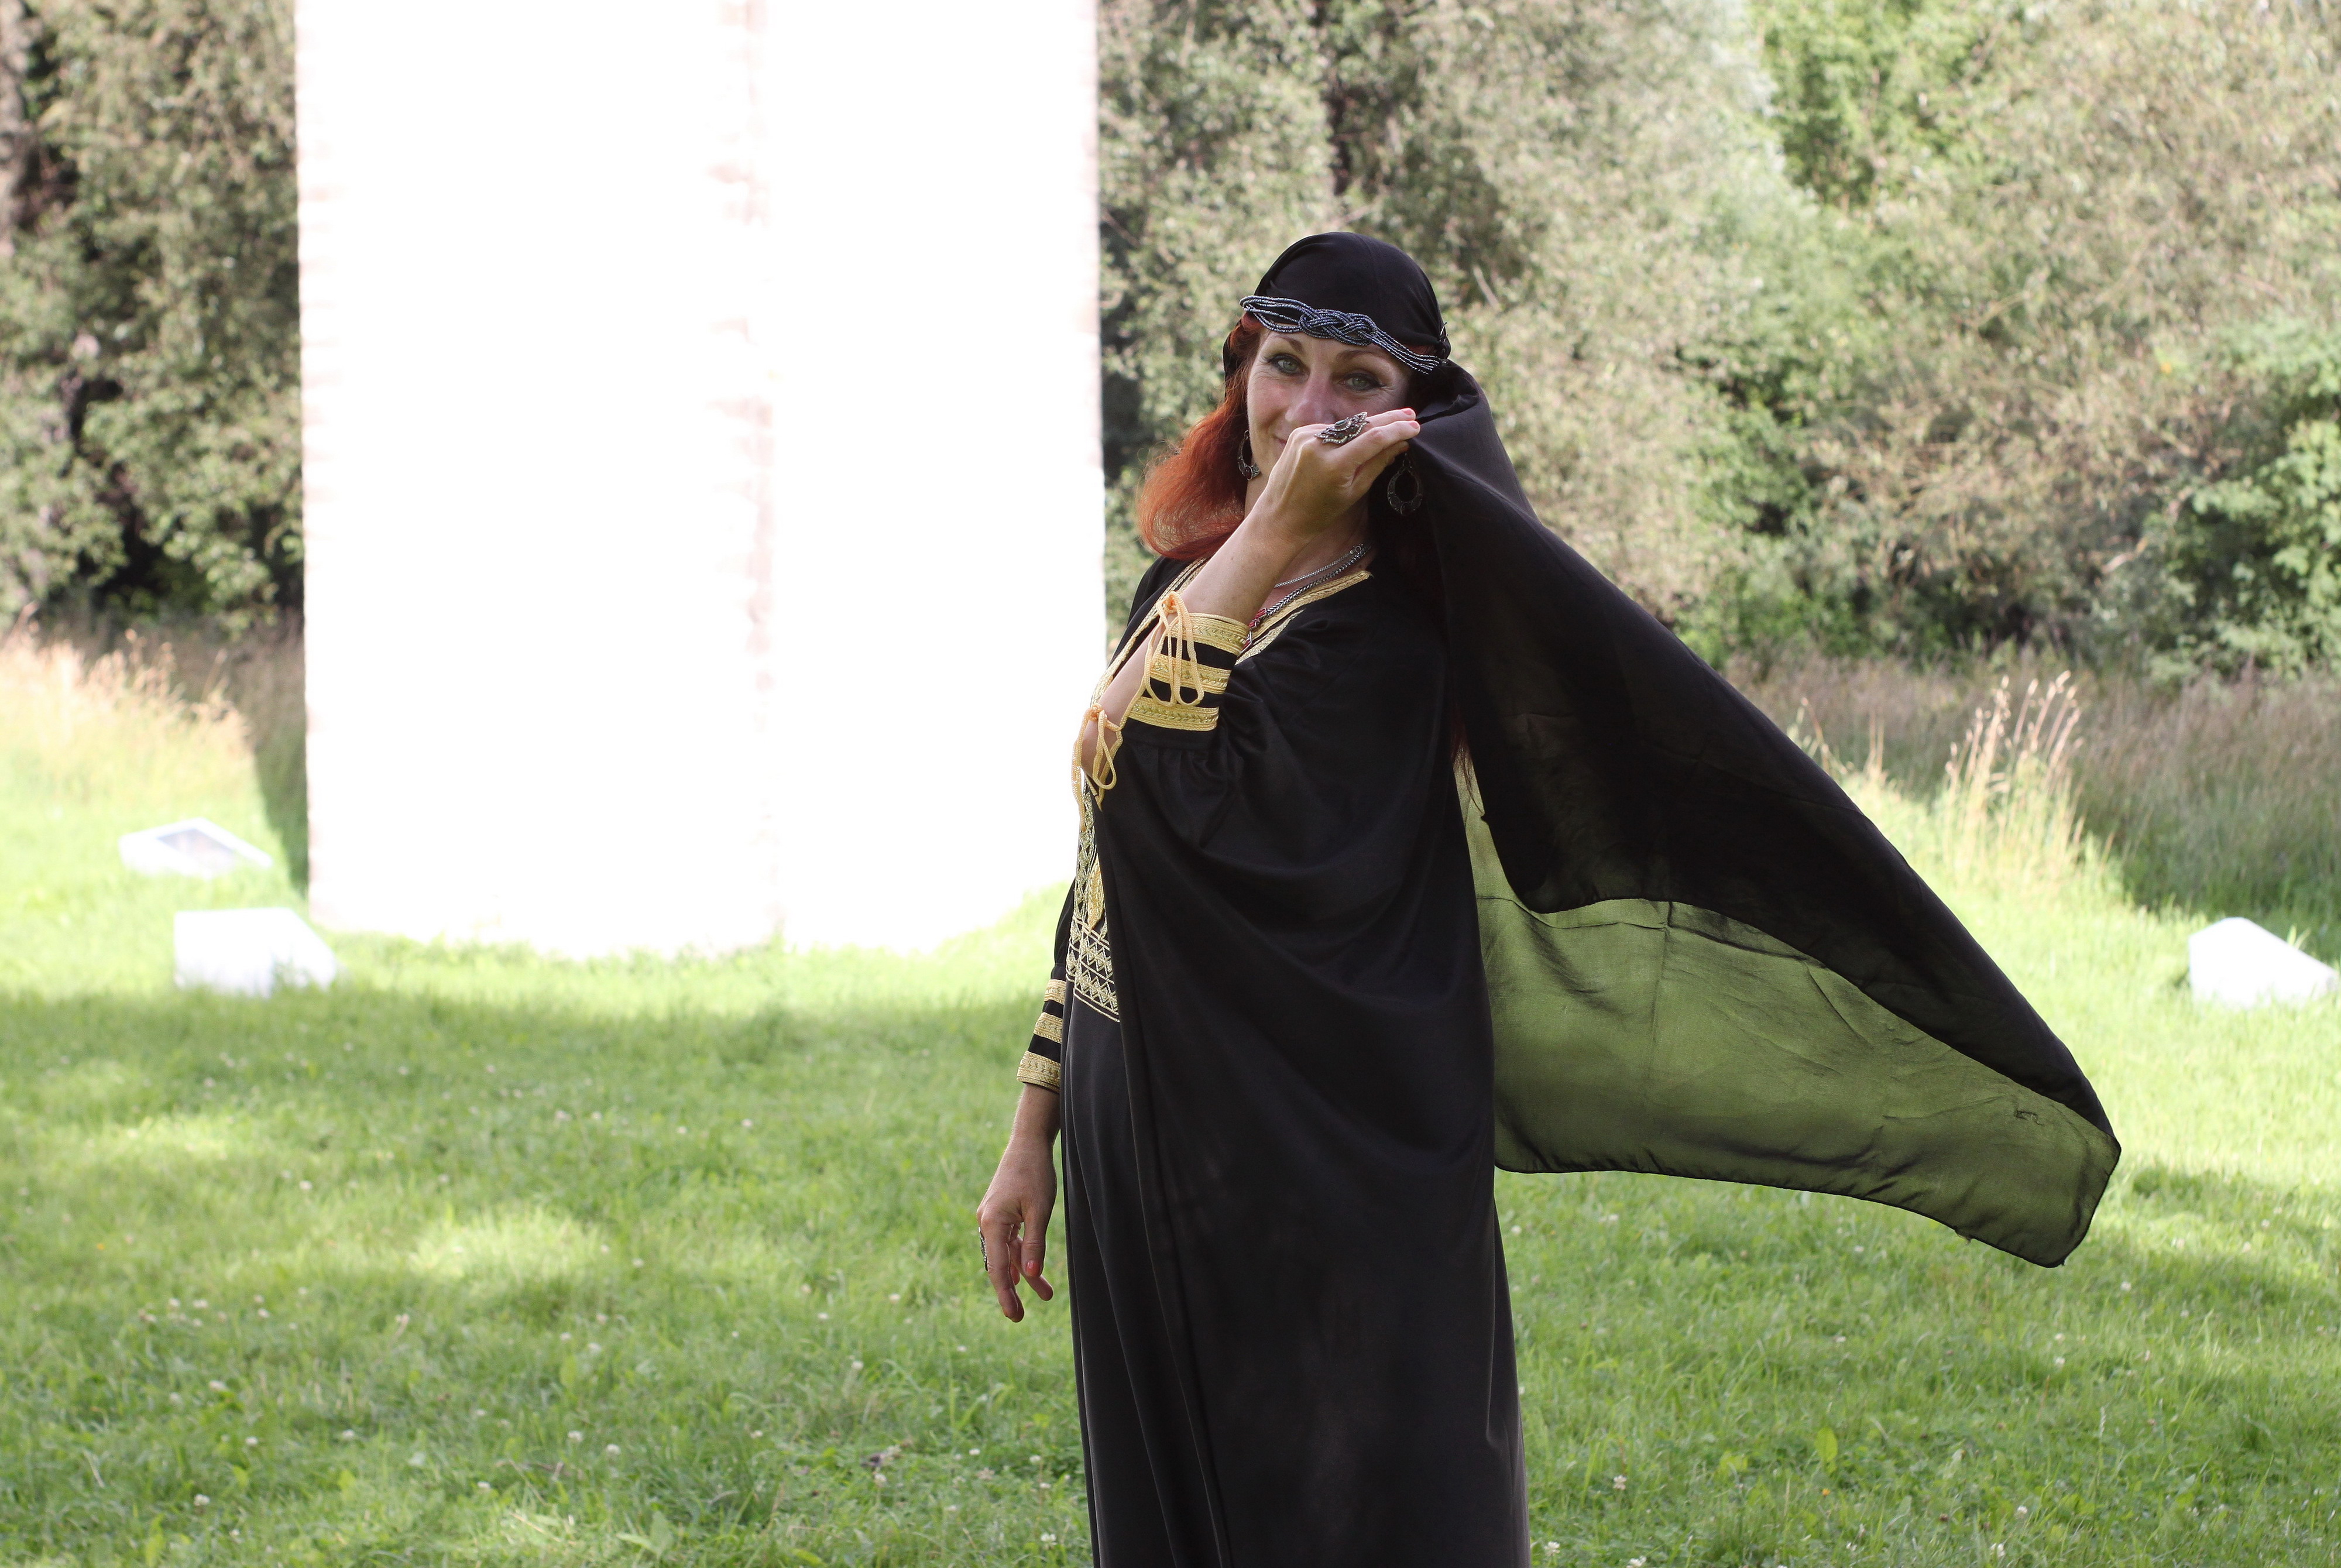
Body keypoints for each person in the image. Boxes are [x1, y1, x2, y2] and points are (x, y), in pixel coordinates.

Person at [977, 233, 2119, 1568]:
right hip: (1136, 1104)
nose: (1310, 407)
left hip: (1303, 1147)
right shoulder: (1186, 588)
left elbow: (1134, 763)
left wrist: (1279, 527)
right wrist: (1033, 1125)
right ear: (1240, 376)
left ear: (1409, 417)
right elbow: (1105, 868)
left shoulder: (1384, 645)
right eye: (1284, 364)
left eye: (1358, 379)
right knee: (1163, 1499)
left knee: (1319, 1512)